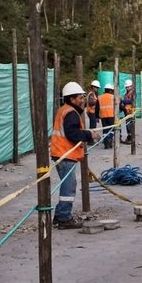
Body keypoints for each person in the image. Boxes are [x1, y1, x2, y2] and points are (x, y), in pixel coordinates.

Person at [51, 81, 98, 229]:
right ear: (71, 99)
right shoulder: (71, 113)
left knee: (68, 185)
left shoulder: (65, 110)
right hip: (66, 154)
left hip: (62, 153)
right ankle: (64, 217)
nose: (83, 100)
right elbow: (72, 134)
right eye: (80, 97)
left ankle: (60, 216)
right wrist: (89, 135)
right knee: (69, 186)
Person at [98, 83, 116, 149]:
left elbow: (97, 108)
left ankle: (106, 144)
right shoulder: (113, 97)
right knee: (111, 129)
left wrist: (97, 116)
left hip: (103, 116)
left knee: (105, 130)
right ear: (111, 90)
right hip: (111, 115)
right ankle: (110, 143)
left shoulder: (100, 97)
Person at [120, 79, 136, 144]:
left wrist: (122, 101)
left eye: (128, 87)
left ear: (131, 86)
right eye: (126, 87)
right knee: (127, 125)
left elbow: (131, 101)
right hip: (126, 111)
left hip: (130, 111)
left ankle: (130, 138)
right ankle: (129, 137)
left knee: (129, 125)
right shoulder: (126, 94)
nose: (127, 88)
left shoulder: (133, 93)